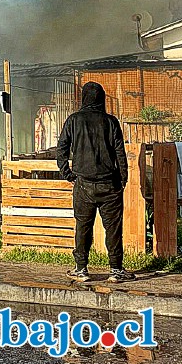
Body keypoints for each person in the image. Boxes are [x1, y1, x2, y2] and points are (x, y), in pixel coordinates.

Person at [56, 82, 135, 284]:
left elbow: (61, 149)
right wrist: (123, 178)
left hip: (83, 185)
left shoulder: (73, 120)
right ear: (102, 98)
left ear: (84, 98)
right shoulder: (111, 121)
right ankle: (116, 270)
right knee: (113, 229)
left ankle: (81, 269)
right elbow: (120, 152)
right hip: (110, 185)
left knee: (83, 227)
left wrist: (68, 174)